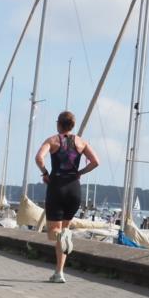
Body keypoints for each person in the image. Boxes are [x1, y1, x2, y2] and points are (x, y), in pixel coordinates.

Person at [34, 111, 100, 283]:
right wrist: (80, 173)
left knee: (53, 234)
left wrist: (45, 173)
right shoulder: (81, 142)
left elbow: (39, 158)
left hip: (57, 187)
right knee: (64, 232)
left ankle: (62, 240)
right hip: (74, 189)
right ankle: (59, 273)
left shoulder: (52, 140)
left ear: (59, 124)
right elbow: (95, 162)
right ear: (72, 125)